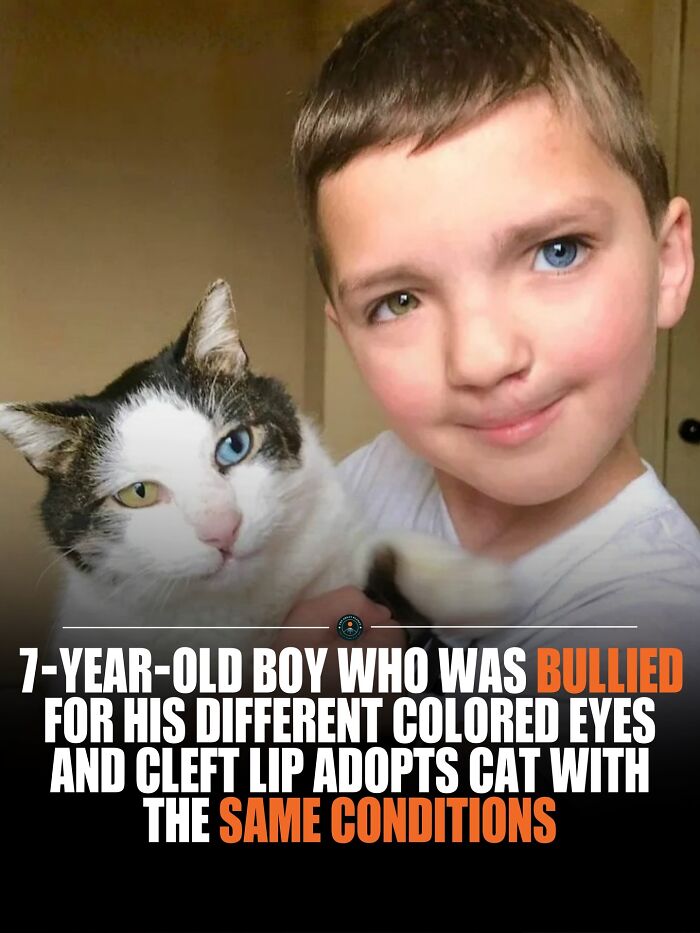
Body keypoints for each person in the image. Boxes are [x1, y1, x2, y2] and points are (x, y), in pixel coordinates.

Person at [274, 0, 700, 717]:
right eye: (399, 301)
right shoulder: (377, 475)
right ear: (348, 335)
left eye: (555, 251)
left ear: (668, 264)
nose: (481, 358)